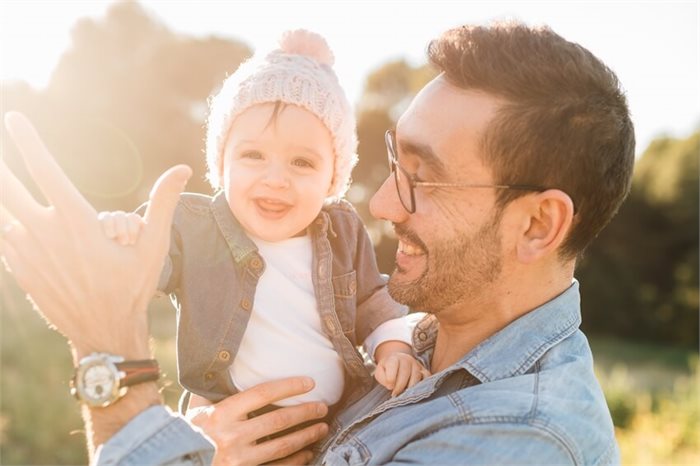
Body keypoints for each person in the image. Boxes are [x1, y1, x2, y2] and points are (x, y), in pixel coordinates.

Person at [1, 20, 634, 465]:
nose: (382, 204)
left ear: (537, 225)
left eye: (425, 177)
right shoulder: (423, 339)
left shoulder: (516, 439)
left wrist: (113, 357)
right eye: (393, 161)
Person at [95, 29, 426, 422]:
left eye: (302, 163)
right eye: (253, 155)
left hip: (332, 423)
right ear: (222, 164)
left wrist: (394, 350)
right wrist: (123, 238)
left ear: (332, 179)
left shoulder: (342, 230)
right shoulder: (193, 226)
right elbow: (144, 267)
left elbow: (372, 299)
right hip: (229, 424)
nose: (276, 179)